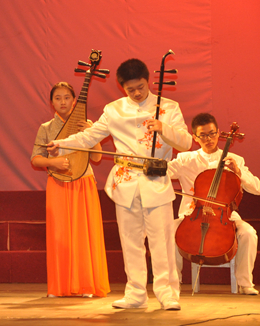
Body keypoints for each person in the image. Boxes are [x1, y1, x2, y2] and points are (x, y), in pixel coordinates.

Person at [47, 58, 192, 310]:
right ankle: (136, 293)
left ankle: (167, 293)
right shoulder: (113, 109)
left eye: (141, 87)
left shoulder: (168, 107)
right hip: (125, 183)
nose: (136, 93)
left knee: (162, 241)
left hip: (156, 181)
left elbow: (186, 142)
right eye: (130, 89)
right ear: (121, 86)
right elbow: (91, 135)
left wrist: (163, 128)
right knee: (130, 240)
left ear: (149, 81)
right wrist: (62, 144)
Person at [168, 113, 260, 295]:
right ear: (195, 137)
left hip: (225, 216)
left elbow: (258, 189)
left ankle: (245, 283)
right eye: (203, 135)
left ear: (219, 133)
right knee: (168, 231)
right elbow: (163, 172)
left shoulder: (235, 159)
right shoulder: (184, 159)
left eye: (212, 133)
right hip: (191, 216)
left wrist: (238, 173)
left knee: (249, 234)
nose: (209, 139)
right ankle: (174, 282)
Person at [31, 82, 110, 298]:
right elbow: (35, 159)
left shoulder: (86, 124)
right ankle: (60, 286)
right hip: (57, 184)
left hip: (84, 182)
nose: (63, 102)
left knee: (85, 233)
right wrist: (53, 163)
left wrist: (91, 134)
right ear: (51, 102)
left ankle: (86, 284)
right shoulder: (46, 128)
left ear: (74, 100)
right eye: (58, 98)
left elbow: (97, 158)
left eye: (67, 97)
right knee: (60, 235)